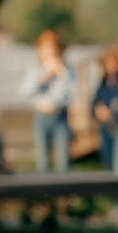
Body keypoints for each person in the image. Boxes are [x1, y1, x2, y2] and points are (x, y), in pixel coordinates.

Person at [20, 30, 76, 171]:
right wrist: (41, 80)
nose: (49, 51)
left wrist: (62, 73)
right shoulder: (35, 69)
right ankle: (43, 192)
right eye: (45, 48)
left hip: (60, 117)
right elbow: (25, 93)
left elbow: (71, 93)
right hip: (41, 118)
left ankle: (63, 192)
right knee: (42, 162)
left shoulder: (66, 70)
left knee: (63, 162)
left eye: (52, 47)